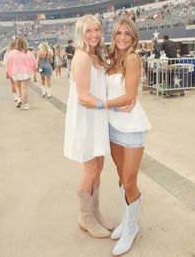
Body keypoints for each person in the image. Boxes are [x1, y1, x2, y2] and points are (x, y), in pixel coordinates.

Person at [79, 18, 151, 256]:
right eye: (118, 33)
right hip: (113, 127)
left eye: (127, 34)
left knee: (129, 181)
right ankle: (126, 221)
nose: (122, 37)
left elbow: (129, 96)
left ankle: (132, 228)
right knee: (121, 177)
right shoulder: (113, 58)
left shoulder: (131, 58)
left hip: (131, 129)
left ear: (133, 38)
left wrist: (101, 104)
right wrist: (112, 108)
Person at [64, 15, 113, 239]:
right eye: (89, 31)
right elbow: (83, 97)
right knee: (91, 169)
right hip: (87, 117)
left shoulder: (95, 55)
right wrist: (109, 105)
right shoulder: (82, 57)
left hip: (97, 117)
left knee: (99, 165)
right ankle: (85, 216)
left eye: (97, 30)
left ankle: (94, 210)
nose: (94, 34)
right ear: (81, 33)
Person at [5, 37, 37, 110]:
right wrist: (35, 70)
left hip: (15, 73)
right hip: (26, 73)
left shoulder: (11, 53)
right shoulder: (28, 53)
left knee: (18, 87)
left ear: (16, 44)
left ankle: (19, 99)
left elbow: (8, 64)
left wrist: (7, 72)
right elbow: (34, 63)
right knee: (24, 89)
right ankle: (26, 105)